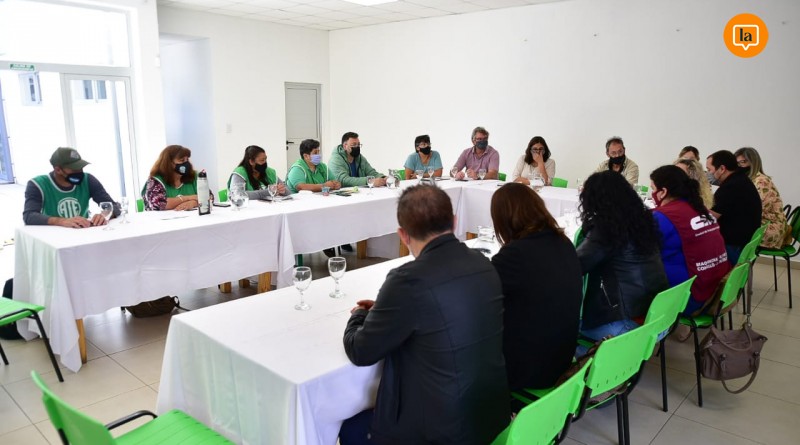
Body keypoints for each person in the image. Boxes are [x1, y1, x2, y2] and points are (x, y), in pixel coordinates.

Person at [341, 185, 509, 445]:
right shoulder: (484, 264)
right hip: (489, 419)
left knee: (350, 428)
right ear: (454, 222)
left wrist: (359, 315)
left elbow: (360, 351)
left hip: (439, 433)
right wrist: (388, 309)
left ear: (402, 235)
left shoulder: (407, 281)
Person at [490, 183, 582, 392]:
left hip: (528, 369)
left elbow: (479, 295)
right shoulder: (563, 242)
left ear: (503, 219)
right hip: (561, 358)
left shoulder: (515, 255)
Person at [576, 171, 668, 342]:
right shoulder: (643, 222)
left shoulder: (606, 231)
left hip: (627, 326)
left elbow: (573, 267)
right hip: (657, 319)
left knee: (558, 319)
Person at [650, 165, 730, 315]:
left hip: (688, 297)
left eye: (653, 189)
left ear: (663, 192)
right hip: (714, 289)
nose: (652, 194)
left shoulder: (663, 217)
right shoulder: (701, 210)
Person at [23, 147, 119, 228]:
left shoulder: (88, 180)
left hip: (82, 232)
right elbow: (29, 216)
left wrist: (105, 214)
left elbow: (114, 206)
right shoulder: (37, 184)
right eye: (74, 169)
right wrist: (61, 221)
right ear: (58, 170)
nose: (80, 171)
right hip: (52, 236)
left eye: (81, 167)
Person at [706, 150, 762, 264]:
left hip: (734, 245)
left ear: (722, 168)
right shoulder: (740, 179)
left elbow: (710, 217)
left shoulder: (730, 187)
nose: (708, 174)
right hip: (744, 241)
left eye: (709, 170)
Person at [734, 147, 787, 249]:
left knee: (730, 231)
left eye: (743, 162)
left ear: (753, 162)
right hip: (759, 223)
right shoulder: (747, 180)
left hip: (769, 228)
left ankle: (736, 259)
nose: (739, 166)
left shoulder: (762, 181)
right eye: (737, 163)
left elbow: (758, 210)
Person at [142, 145, 204, 211]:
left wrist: (194, 203)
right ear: (169, 163)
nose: (186, 163)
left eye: (187, 160)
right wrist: (189, 198)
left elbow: (208, 197)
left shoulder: (194, 176)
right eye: (182, 160)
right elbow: (159, 204)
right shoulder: (155, 180)